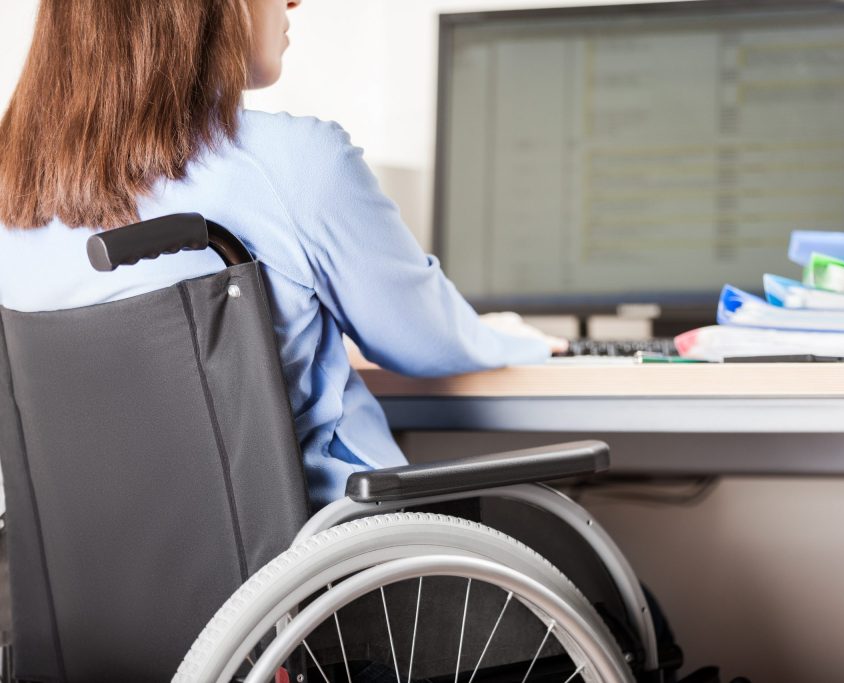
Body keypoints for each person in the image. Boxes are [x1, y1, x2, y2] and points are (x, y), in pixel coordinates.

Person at [0, 0, 566, 509]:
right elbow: (426, 343)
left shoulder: (15, 195)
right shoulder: (291, 162)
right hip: (331, 590)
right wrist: (521, 340)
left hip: (119, 613)